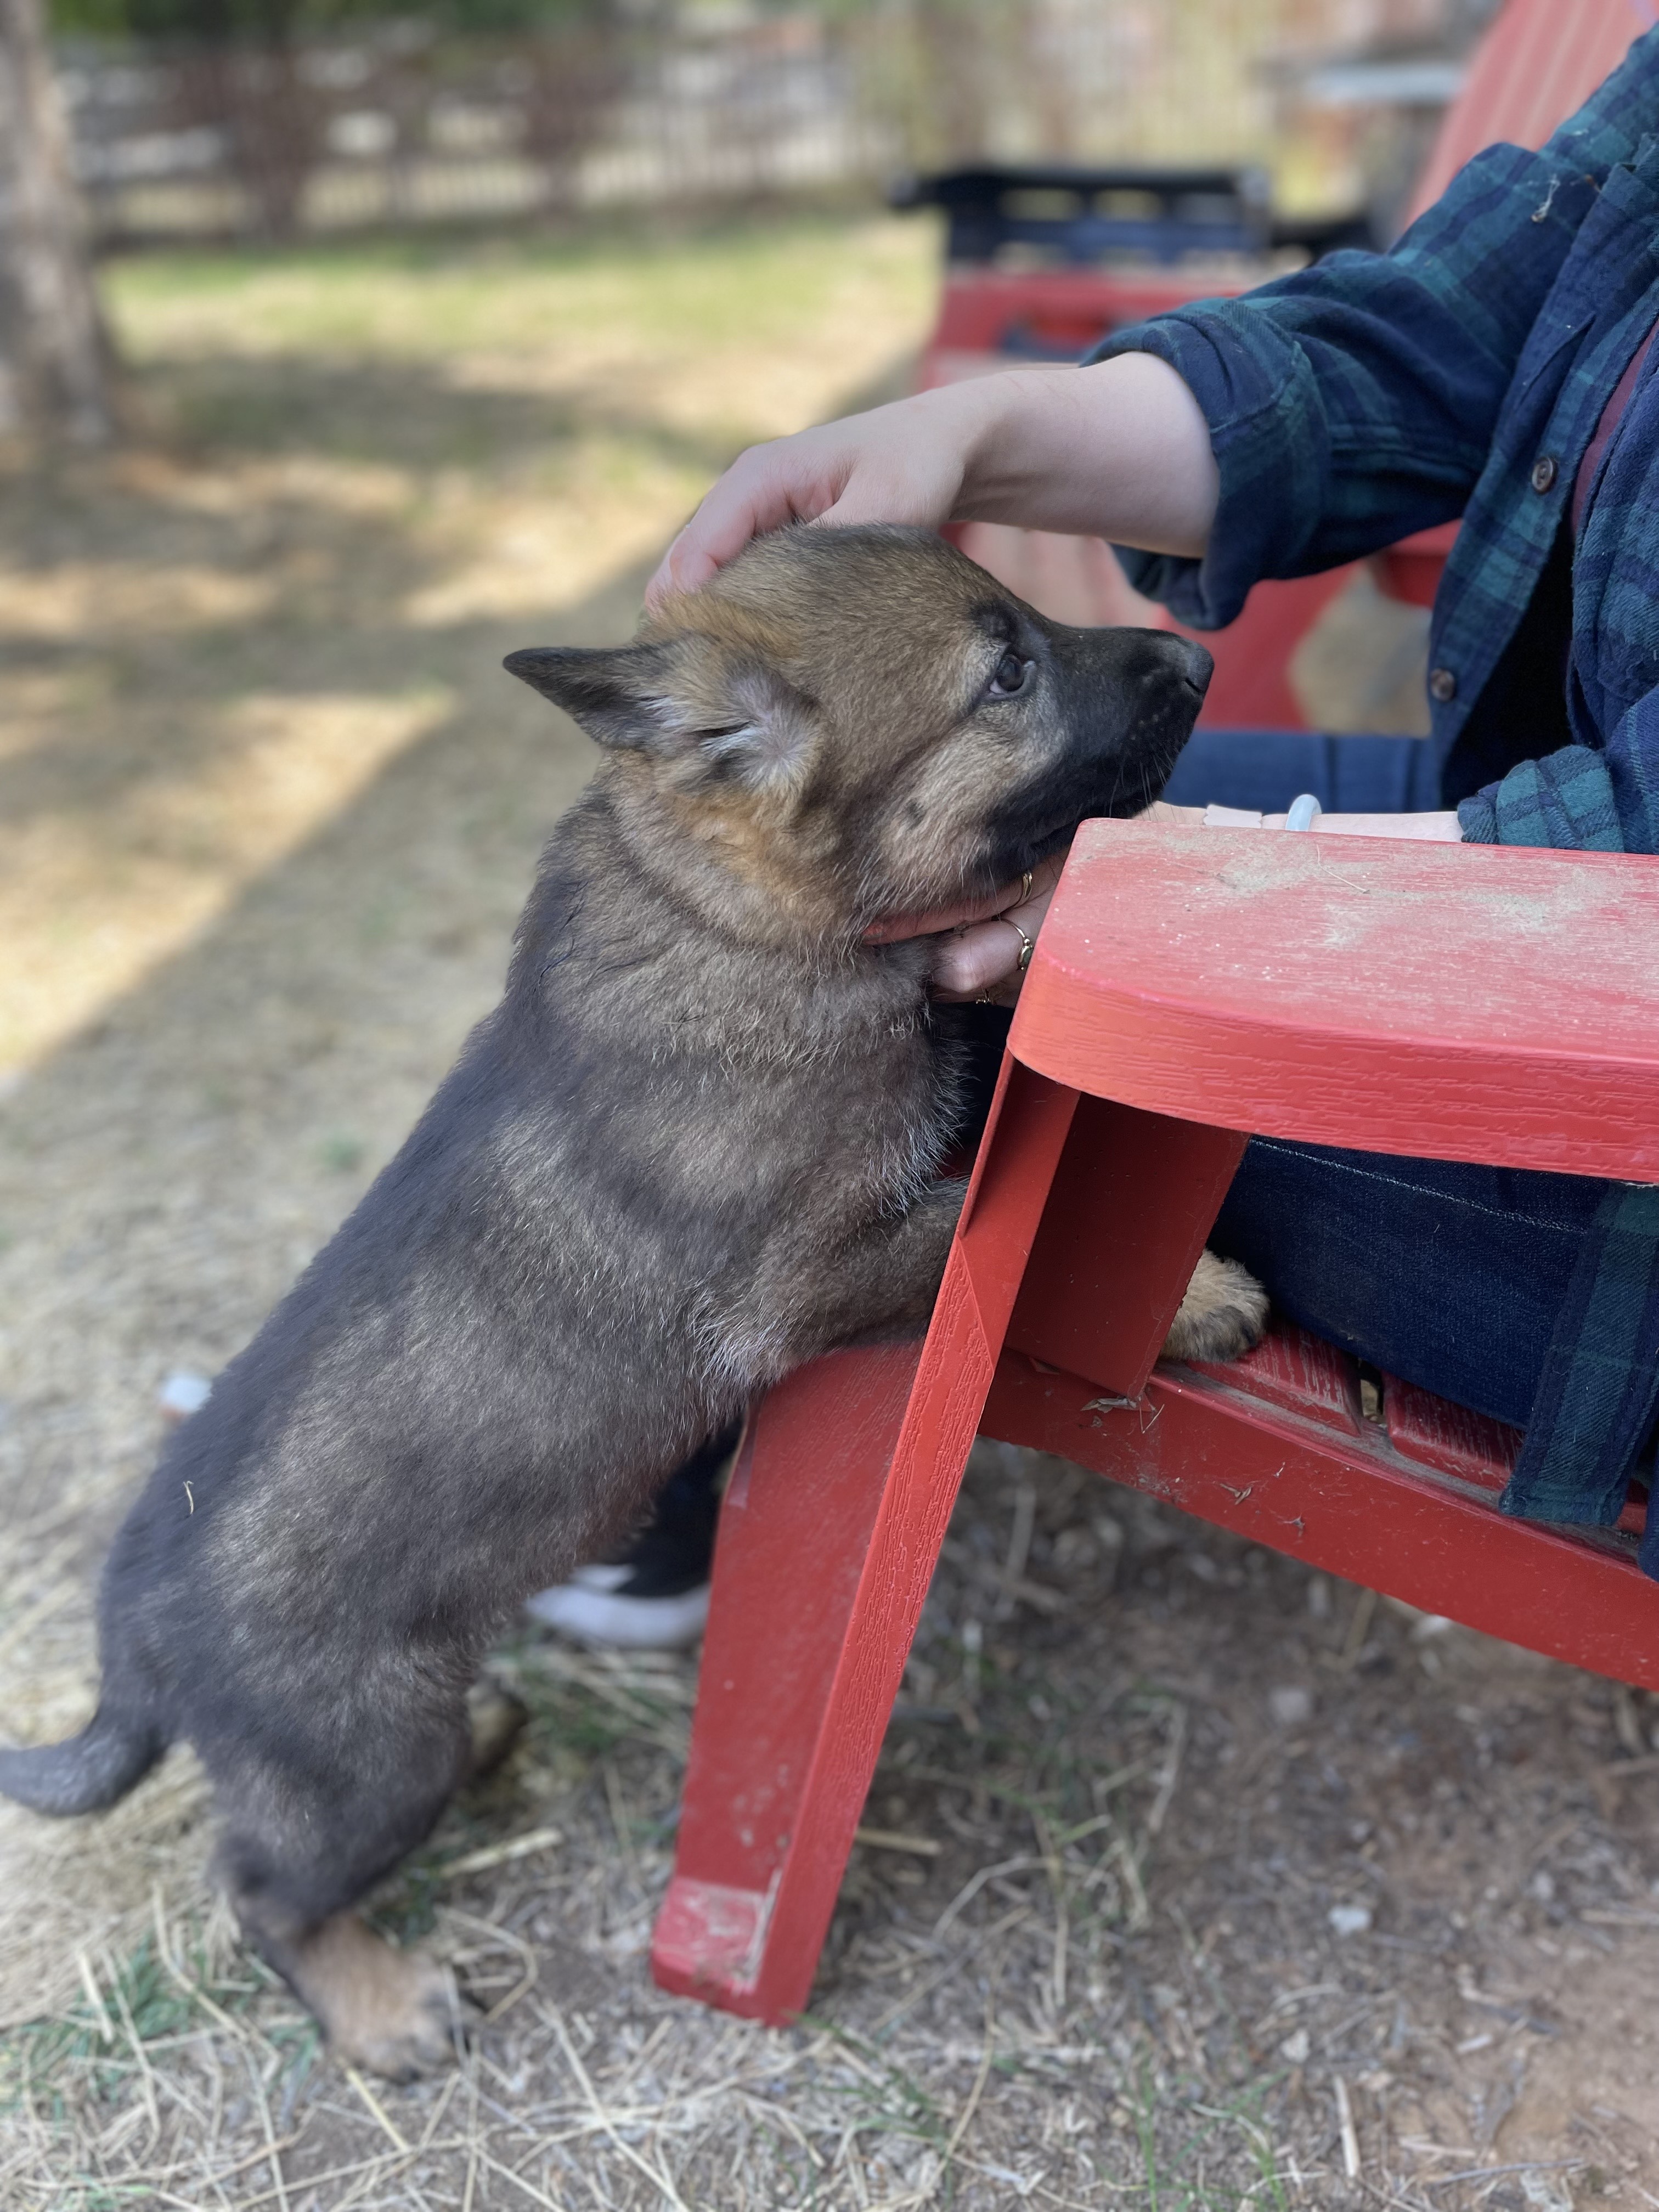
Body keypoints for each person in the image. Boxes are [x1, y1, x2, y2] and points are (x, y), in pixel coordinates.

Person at [528, 26, 1659, 1641]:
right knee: (833, 929)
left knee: (868, 984)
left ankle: (583, 1471)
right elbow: (1430, 344)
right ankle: (577, 1443)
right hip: (1572, 849)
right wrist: (988, 431)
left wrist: (1204, 908)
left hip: (1623, 1176)